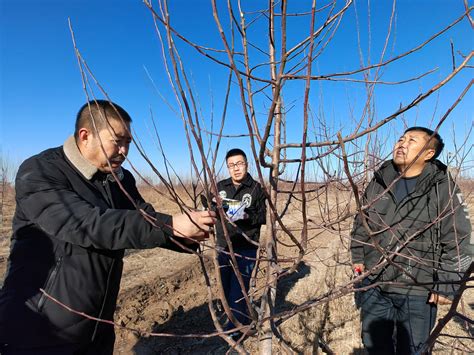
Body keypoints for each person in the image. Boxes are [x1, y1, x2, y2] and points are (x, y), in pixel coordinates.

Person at [0, 100, 216, 354]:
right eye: (118, 141)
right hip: (39, 329)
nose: (124, 151)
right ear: (85, 135)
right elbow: (86, 223)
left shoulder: (119, 178)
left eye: (129, 143)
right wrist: (171, 226)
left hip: (98, 325)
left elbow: (144, 217)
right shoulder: (40, 170)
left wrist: (193, 232)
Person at [350, 126, 473, 354]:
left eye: (412, 140)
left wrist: (447, 284)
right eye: (400, 138)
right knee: (375, 347)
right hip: (375, 283)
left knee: (413, 350)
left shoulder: (442, 186)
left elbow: (460, 239)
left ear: (428, 153)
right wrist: (358, 256)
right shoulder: (379, 180)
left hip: (419, 289)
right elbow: (361, 223)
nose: (402, 144)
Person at [215, 149, 266, 340]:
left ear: (247, 164)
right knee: (226, 289)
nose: (236, 169)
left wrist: (244, 215)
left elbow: (262, 216)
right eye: (231, 165)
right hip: (223, 246)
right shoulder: (220, 186)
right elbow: (212, 208)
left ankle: (234, 333)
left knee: (239, 291)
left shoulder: (256, 188)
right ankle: (239, 321)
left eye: (239, 164)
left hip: (246, 248)